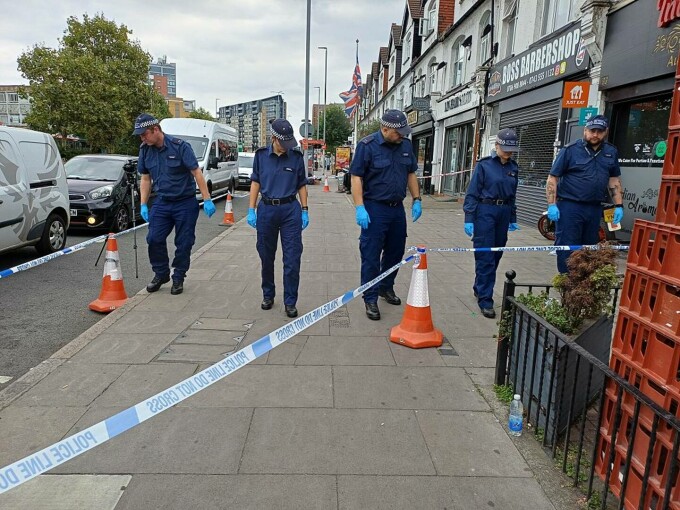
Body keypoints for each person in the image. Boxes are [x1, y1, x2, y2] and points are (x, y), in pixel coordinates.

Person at [350, 109, 422, 321]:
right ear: (385, 129)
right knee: (371, 255)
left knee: (395, 252)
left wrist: (417, 199)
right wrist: (359, 206)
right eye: (398, 132)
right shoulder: (367, 146)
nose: (402, 136)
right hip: (374, 208)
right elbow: (356, 177)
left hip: (397, 209)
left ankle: (386, 287)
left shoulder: (405, 145)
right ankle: (370, 297)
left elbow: (411, 173)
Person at [134, 113, 216, 296]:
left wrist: (207, 199)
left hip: (184, 203)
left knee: (184, 242)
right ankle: (161, 273)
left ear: (155, 129)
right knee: (153, 238)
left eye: (144, 134)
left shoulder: (180, 146)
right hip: (162, 202)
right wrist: (143, 204)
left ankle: (178, 276)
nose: (142, 138)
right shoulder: (145, 150)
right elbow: (145, 178)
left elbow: (197, 173)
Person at [545, 114, 623, 274]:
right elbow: (553, 178)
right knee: (567, 248)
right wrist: (552, 204)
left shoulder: (611, 152)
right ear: (585, 130)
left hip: (594, 208)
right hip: (570, 207)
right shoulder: (570, 150)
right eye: (592, 130)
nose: (595, 134)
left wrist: (619, 205)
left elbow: (614, 180)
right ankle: (566, 282)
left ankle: (583, 283)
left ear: (606, 132)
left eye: (599, 131)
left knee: (589, 249)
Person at [247, 118, 309, 319]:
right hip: (267, 210)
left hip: (290, 211)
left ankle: (290, 301)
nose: (286, 146)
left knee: (292, 258)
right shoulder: (261, 156)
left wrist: (305, 209)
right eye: (284, 142)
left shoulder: (296, 157)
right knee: (266, 256)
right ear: (273, 138)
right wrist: (251, 209)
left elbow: (302, 184)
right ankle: (268, 294)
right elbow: (255, 182)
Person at [463, 128, 520, 319]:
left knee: (496, 255)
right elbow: (472, 193)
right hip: (485, 212)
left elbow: (513, 196)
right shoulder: (484, 165)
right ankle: (486, 299)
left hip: (503, 213)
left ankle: (480, 286)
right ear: (496, 145)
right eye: (505, 148)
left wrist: (512, 218)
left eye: (511, 149)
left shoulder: (514, 167)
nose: (508, 152)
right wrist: (469, 218)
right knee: (485, 256)